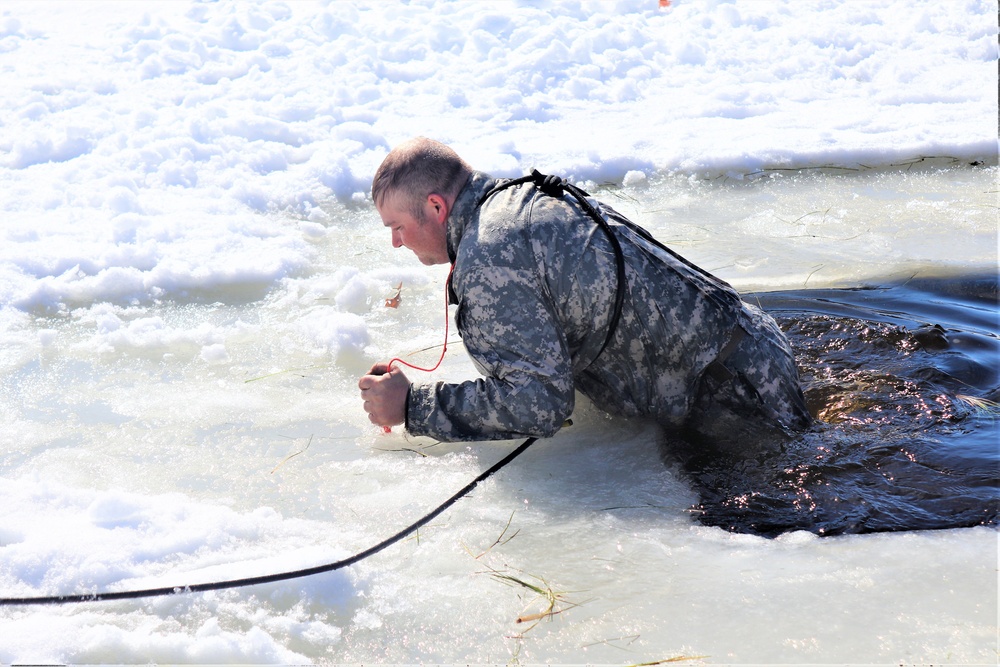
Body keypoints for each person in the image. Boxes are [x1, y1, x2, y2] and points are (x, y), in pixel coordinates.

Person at [358, 137, 810, 452]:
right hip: (753, 347)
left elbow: (539, 403)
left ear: (436, 206)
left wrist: (412, 406)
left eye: (397, 226)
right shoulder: (518, 200)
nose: (396, 242)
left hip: (735, 400)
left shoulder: (489, 255)